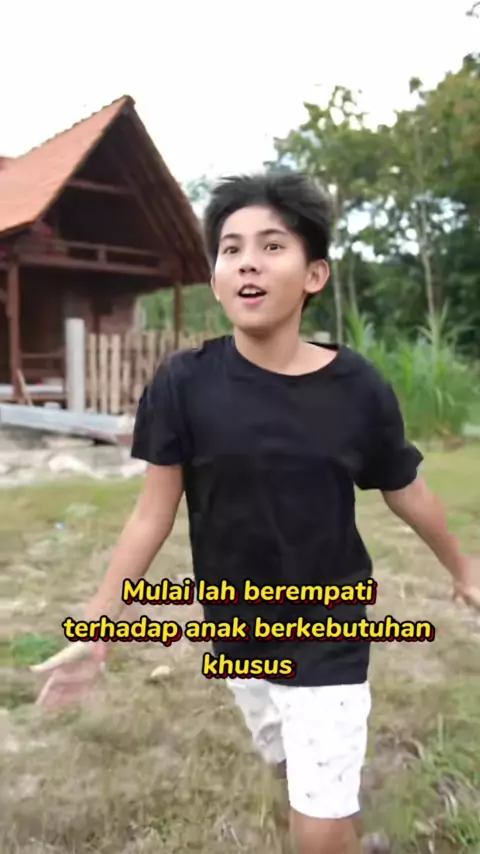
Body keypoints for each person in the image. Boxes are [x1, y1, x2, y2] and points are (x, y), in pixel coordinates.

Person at [35, 170, 480, 854]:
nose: (248, 261)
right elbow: (152, 514)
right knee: (291, 766)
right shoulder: (184, 384)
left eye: (272, 246)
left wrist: (463, 568)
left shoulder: (356, 388)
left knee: (318, 827)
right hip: (235, 628)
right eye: (231, 248)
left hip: (328, 626)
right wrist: (97, 626)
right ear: (215, 280)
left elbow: (405, 487)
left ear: (314, 275)